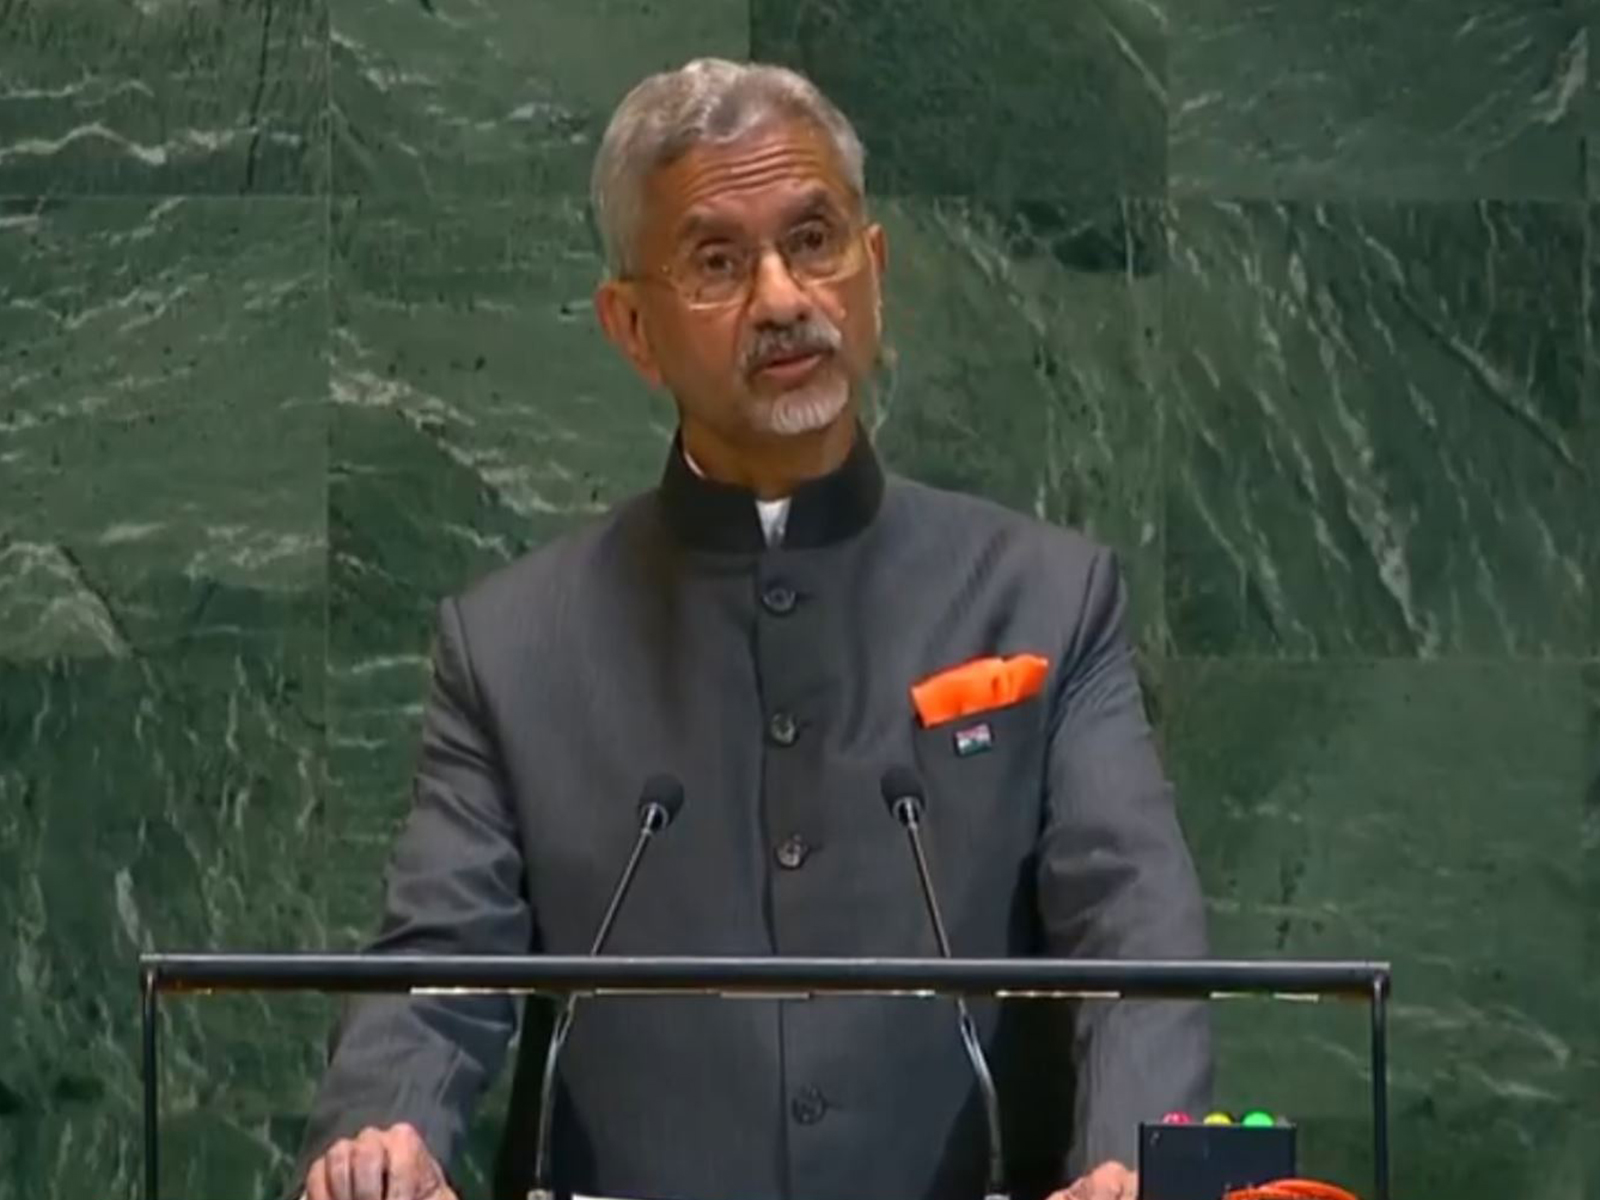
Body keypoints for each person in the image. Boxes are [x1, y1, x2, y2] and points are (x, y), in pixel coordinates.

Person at [296, 57, 1211, 1200]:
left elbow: (1132, 929)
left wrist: (1135, 1158)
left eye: (813, 241)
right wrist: (382, 1145)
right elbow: (438, 963)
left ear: (874, 272)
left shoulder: (1046, 599)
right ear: (632, 328)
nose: (781, 298)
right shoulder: (513, 648)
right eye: (718, 262)